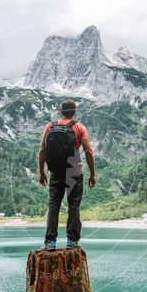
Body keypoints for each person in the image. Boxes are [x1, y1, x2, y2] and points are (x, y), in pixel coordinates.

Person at [38, 100, 96, 250]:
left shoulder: (50, 126)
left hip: (55, 171)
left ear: (61, 111)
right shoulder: (79, 127)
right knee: (73, 206)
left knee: (54, 205)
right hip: (74, 170)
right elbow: (88, 151)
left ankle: (50, 242)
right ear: (74, 112)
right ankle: (72, 241)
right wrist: (92, 174)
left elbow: (42, 151)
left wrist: (42, 172)